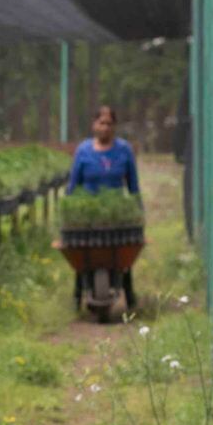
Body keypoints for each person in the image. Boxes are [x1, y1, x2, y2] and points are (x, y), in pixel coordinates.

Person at [67, 106, 142, 308]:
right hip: (88, 215)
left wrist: (137, 210)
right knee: (81, 254)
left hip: (116, 213)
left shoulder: (124, 150)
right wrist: (70, 209)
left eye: (109, 123)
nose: (105, 127)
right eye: (101, 123)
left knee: (122, 254)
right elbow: (73, 185)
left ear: (114, 126)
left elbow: (133, 185)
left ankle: (127, 287)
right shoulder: (83, 151)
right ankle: (78, 290)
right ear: (94, 125)